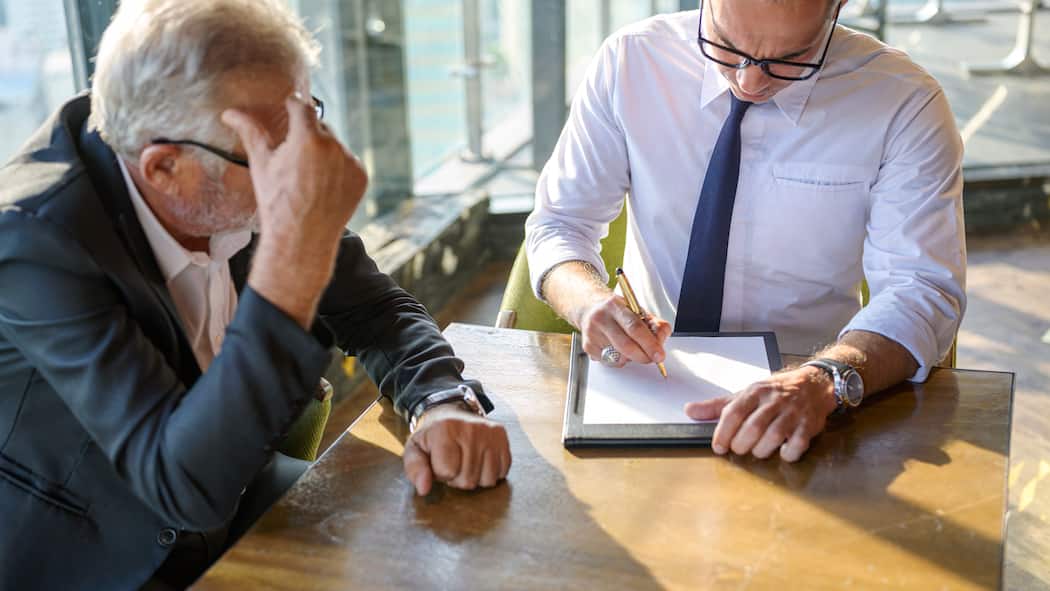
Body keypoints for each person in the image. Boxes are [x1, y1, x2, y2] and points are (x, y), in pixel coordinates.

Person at [0, 0, 511, 588]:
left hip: (240, 492)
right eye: (273, 145)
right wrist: (294, 261)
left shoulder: (230, 157)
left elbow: (375, 310)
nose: (305, 161)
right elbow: (183, 490)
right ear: (165, 168)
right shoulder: (37, 243)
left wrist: (440, 401)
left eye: (306, 116)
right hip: (93, 554)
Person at [526, 0, 965, 463]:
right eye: (726, 46)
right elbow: (559, 223)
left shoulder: (903, 102)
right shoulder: (632, 62)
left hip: (807, 394)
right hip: (647, 378)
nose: (749, 82)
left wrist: (823, 379)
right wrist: (589, 302)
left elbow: (922, 289)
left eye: (791, 58)